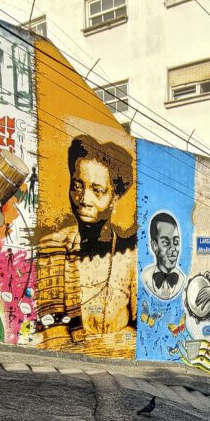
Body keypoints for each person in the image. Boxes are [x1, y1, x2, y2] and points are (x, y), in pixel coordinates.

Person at [36, 134, 137, 356]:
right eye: (77, 186)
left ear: (115, 197)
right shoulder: (53, 248)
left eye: (97, 190)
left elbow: (139, 326)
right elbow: (52, 332)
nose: (83, 199)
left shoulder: (129, 254)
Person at [141, 211, 186, 301]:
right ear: (154, 246)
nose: (173, 248)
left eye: (176, 242)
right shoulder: (145, 276)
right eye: (165, 242)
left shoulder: (182, 279)